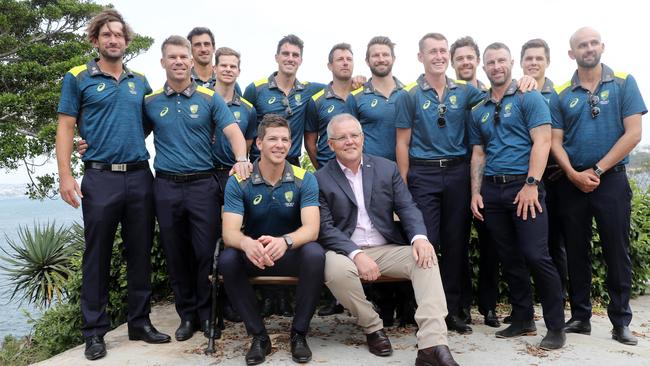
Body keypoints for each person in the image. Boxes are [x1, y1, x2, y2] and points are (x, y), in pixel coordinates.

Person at [55, 9, 170, 361]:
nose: (113, 40)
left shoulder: (140, 81)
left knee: (139, 252)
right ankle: (94, 331)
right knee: (97, 256)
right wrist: (65, 175)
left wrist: (114, 134)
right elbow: (66, 126)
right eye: (106, 34)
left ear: (126, 41)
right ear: (95, 40)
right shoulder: (78, 77)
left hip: (139, 175)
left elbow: (148, 123)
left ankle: (139, 322)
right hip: (100, 177)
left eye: (119, 34)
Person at [316, 113, 458, 366]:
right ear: (330, 144)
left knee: (425, 259)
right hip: (345, 251)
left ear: (362, 138)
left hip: (386, 248)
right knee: (333, 269)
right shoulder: (319, 178)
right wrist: (356, 255)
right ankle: (373, 327)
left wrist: (419, 238)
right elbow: (325, 228)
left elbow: (407, 207)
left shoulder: (385, 168)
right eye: (341, 137)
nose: (349, 141)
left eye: (354, 135)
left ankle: (432, 345)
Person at [144, 35, 250, 342]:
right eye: (172, 57)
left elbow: (234, 133)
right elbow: (131, 134)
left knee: (206, 255)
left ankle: (208, 316)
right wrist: (87, 143)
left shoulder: (208, 97)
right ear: (163, 62)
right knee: (176, 255)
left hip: (202, 185)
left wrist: (242, 158)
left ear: (192, 62)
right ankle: (186, 316)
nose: (178, 61)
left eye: (183, 57)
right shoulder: (151, 102)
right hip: (165, 185)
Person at [550, 27, 647, 345]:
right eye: (581, 45)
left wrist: (598, 169)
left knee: (616, 251)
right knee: (575, 251)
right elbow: (555, 141)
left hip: (611, 181)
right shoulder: (562, 93)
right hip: (572, 182)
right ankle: (580, 317)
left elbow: (633, 133)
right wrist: (574, 174)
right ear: (571, 53)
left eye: (593, 43)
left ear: (602, 46)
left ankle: (621, 321)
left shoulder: (623, 81)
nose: (588, 48)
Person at [468, 42, 566, 350]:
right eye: (490, 62)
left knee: (537, 255)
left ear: (511, 63)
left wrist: (532, 183)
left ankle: (555, 326)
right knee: (509, 258)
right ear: (484, 67)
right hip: (492, 192)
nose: (496, 66)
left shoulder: (529, 96)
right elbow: (478, 153)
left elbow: (543, 140)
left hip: (524, 188)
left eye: (501, 61)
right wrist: (475, 193)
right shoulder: (478, 109)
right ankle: (523, 318)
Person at [395, 33, 485, 334]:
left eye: (443, 51)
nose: (439, 56)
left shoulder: (464, 92)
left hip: (457, 174)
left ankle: (453, 310)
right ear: (420, 57)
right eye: (432, 51)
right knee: (425, 243)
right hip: (423, 175)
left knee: (456, 244)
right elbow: (402, 142)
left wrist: (527, 82)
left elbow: (494, 95)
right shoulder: (409, 95)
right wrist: (404, 185)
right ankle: (421, 309)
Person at [219, 114, 325, 365]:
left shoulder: (304, 178)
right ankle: (259, 337)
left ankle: (299, 334)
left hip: (289, 252)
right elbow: (230, 233)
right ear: (259, 143)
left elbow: (312, 229)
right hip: (255, 253)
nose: (280, 145)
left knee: (315, 254)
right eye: (273, 139)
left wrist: (285, 241)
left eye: (285, 140)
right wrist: (247, 244)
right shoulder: (239, 180)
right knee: (228, 259)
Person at [211, 46, 257, 323]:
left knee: (234, 237)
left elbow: (247, 147)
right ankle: (209, 307)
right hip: (204, 176)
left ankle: (231, 301)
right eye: (224, 65)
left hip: (234, 178)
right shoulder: (201, 98)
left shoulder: (248, 109)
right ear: (215, 68)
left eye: (233, 66)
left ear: (239, 71)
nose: (228, 69)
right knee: (206, 240)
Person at [520, 38, 569, 298]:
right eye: (529, 58)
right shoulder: (516, 93)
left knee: (554, 241)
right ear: (521, 63)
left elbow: (565, 136)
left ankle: (557, 297)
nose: (534, 63)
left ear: (548, 61)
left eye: (539, 58)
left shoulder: (559, 96)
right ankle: (527, 301)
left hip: (555, 176)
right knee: (528, 243)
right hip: (526, 175)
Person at [243, 34, 324, 166]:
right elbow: (243, 129)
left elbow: (338, 87)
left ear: (301, 60)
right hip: (261, 164)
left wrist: (355, 81)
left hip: (292, 165)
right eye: (286, 54)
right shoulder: (255, 90)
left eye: (295, 55)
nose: (290, 59)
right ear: (277, 57)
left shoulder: (308, 90)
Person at [304, 43, 355, 170]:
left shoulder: (363, 95)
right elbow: (310, 142)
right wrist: (322, 170)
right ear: (330, 66)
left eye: (349, 59)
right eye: (340, 59)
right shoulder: (317, 101)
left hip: (359, 169)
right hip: (328, 170)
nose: (345, 63)